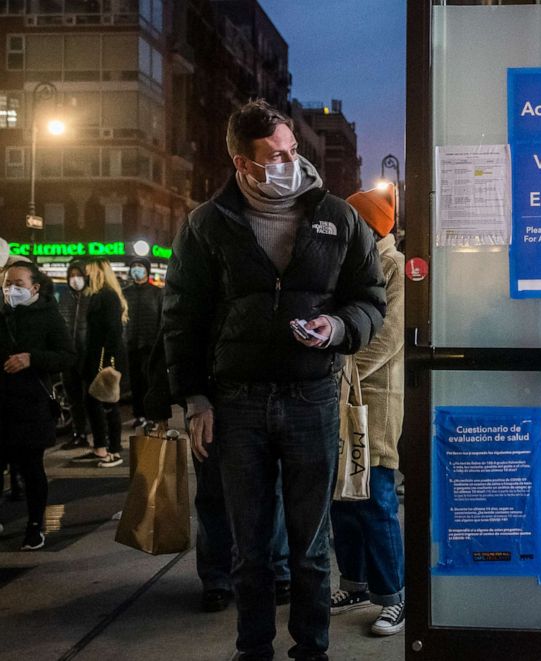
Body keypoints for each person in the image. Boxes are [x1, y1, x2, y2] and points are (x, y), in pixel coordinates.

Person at [161, 99, 386, 661]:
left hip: (311, 398)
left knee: (311, 548)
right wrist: (195, 399)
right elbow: (181, 316)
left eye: (292, 151)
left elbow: (371, 300)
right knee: (250, 549)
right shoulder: (208, 225)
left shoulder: (337, 215)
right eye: (273, 156)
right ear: (242, 164)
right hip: (236, 405)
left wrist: (336, 326)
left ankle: (311, 650)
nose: (289, 162)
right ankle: (252, 649)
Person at [143, 334, 292, 614]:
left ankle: (235, 574)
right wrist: (161, 398)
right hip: (214, 397)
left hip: (254, 393)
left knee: (259, 488)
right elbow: (174, 333)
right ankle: (235, 573)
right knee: (222, 491)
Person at [330, 185, 406, 636]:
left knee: (376, 495)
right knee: (342, 496)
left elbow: (389, 333)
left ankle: (392, 596)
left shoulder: (391, 265)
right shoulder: (349, 263)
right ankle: (355, 583)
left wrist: (338, 365)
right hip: (341, 394)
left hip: (375, 397)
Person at [1, 261, 76, 550]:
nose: (11, 289)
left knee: (31, 468)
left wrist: (32, 358)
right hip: (3, 403)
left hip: (31, 405)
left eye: (18, 283)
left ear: (34, 287)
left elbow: (67, 355)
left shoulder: (48, 316)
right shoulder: (3, 314)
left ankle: (34, 526)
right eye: (7, 283)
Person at [74, 258, 128, 468]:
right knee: (96, 403)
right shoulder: (98, 295)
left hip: (103, 359)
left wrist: (109, 362)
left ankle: (112, 450)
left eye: (88, 272)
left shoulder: (107, 296)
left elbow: (113, 331)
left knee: (107, 403)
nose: (85, 276)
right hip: (96, 357)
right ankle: (101, 446)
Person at [123, 256, 162, 430]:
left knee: (150, 383)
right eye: (134, 266)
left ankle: (151, 416)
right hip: (131, 345)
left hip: (150, 346)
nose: (136, 269)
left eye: (140, 266)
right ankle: (139, 415)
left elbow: (162, 319)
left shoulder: (157, 293)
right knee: (135, 384)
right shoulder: (125, 293)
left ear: (147, 270)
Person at [57, 260, 92, 449]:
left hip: (87, 356)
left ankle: (97, 437)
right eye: (71, 276)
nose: (75, 279)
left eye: (78, 275)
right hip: (69, 356)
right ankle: (79, 434)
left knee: (91, 400)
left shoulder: (92, 298)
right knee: (73, 399)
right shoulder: (64, 298)